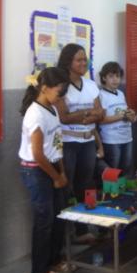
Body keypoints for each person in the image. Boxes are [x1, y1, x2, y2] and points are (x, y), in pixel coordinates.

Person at [19, 67, 70, 273]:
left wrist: (62, 171)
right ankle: (39, 271)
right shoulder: (35, 113)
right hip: (36, 170)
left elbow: (56, 144)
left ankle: (54, 259)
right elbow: (38, 154)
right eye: (60, 92)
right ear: (45, 88)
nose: (62, 97)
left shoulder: (52, 108)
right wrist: (55, 177)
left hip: (52, 168)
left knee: (58, 216)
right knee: (44, 221)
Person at [56, 44, 104, 241]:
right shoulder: (61, 86)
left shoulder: (91, 85)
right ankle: (66, 234)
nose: (83, 63)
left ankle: (83, 229)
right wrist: (87, 114)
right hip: (68, 143)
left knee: (86, 184)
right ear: (69, 62)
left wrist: (85, 116)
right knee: (67, 187)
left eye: (85, 59)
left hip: (88, 142)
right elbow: (64, 118)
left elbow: (101, 113)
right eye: (79, 60)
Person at [98, 62, 137, 176]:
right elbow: (101, 120)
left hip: (126, 137)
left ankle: (122, 193)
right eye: (111, 76)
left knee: (125, 169)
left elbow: (123, 113)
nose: (115, 79)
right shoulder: (101, 95)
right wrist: (122, 116)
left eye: (118, 76)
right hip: (111, 140)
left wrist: (131, 116)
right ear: (104, 77)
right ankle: (111, 193)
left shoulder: (120, 93)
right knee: (112, 171)